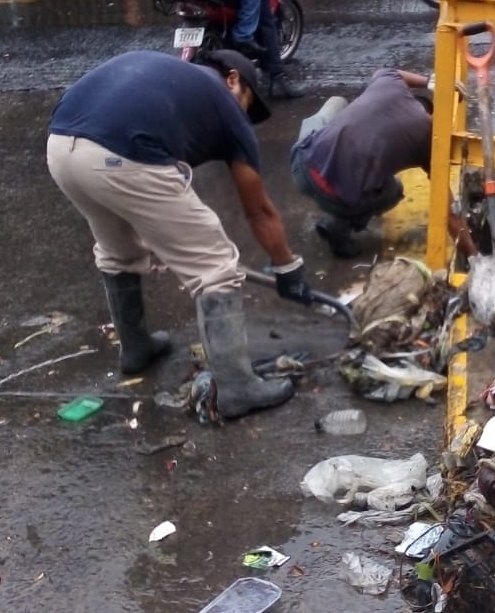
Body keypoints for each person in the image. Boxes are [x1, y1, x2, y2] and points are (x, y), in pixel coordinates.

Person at [46, 49, 312, 418]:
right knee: (214, 264)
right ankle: (237, 389)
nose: (245, 117)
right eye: (249, 104)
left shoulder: (170, 78)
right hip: (119, 154)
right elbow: (259, 210)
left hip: (60, 145)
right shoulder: (224, 103)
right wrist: (288, 267)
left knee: (117, 249)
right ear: (234, 78)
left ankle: (136, 349)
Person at [290, 68, 476, 259]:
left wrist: (428, 80)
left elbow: (388, 71)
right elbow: (449, 214)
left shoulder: (389, 85)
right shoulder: (427, 138)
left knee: (336, 103)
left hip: (302, 166)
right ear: (430, 115)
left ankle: (329, 152)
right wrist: (473, 257)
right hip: (334, 197)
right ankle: (339, 224)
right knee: (393, 190)